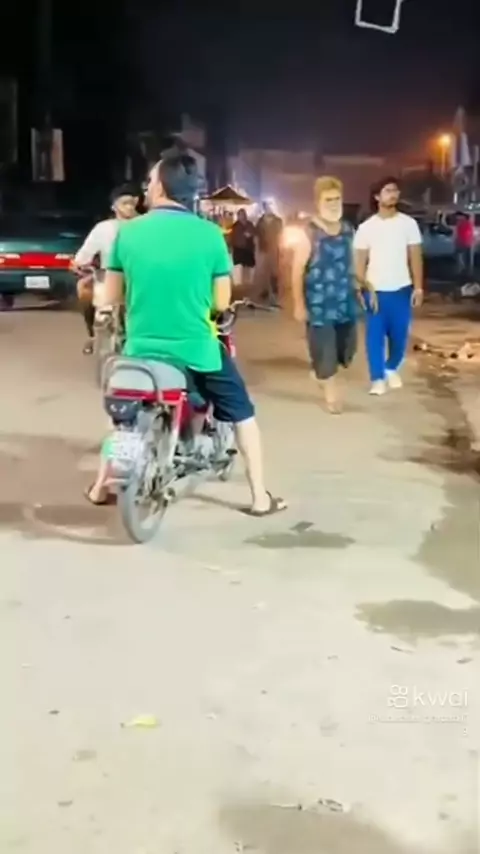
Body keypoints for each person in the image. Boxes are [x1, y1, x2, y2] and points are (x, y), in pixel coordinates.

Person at [86, 151, 286, 517]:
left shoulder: (128, 233)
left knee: (121, 421)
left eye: (150, 181)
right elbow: (221, 300)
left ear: (161, 186)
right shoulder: (210, 235)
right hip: (197, 352)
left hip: (141, 350)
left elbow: (112, 295)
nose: (146, 187)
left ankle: (101, 486)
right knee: (242, 413)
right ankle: (260, 497)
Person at [289, 176, 374, 414]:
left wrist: (362, 286)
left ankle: (321, 373)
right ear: (318, 202)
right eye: (328, 200)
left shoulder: (348, 230)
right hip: (319, 305)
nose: (334, 204)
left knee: (347, 352)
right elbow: (297, 271)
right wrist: (298, 304)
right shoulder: (309, 233)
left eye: (337, 199)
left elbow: (354, 263)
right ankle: (331, 393)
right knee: (325, 350)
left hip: (345, 301)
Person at [353, 176, 423, 396]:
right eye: (387, 191)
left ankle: (391, 367)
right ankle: (377, 379)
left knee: (399, 337)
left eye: (395, 191)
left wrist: (418, 287)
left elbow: (415, 257)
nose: (393, 194)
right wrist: (358, 288)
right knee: (374, 338)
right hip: (374, 292)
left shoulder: (408, 224)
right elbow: (359, 261)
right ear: (377, 197)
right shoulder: (366, 228)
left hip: (401, 289)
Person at [72, 184, 139, 354]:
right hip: (107, 276)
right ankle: (92, 335)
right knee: (83, 288)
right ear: (114, 206)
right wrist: (79, 264)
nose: (129, 207)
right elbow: (84, 255)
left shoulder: (145, 225)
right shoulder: (103, 228)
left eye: (131, 203)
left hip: (138, 276)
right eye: (124, 203)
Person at [254, 201, 283, 304]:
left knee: (274, 272)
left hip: (275, 249)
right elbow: (256, 235)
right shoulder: (260, 221)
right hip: (263, 250)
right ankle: (265, 291)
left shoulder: (278, 221)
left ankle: (275, 292)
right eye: (266, 207)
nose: (268, 208)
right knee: (263, 272)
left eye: (270, 206)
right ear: (264, 208)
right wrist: (257, 250)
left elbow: (282, 235)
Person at [230, 208, 256, 288]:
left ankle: (247, 284)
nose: (242, 216)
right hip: (238, 249)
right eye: (240, 215)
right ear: (238, 216)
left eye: (243, 214)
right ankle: (240, 285)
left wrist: (250, 235)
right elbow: (232, 238)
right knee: (239, 268)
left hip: (248, 249)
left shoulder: (250, 224)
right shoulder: (235, 226)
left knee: (248, 268)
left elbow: (254, 233)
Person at [454, 212, 474, 277]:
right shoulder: (461, 223)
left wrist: (461, 241)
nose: (457, 218)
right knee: (461, 257)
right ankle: (463, 270)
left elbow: (466, 233)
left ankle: (466, 272)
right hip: (462, 243)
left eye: (458, 216)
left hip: (465, 243)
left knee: (465, 258)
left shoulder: (466, 223)